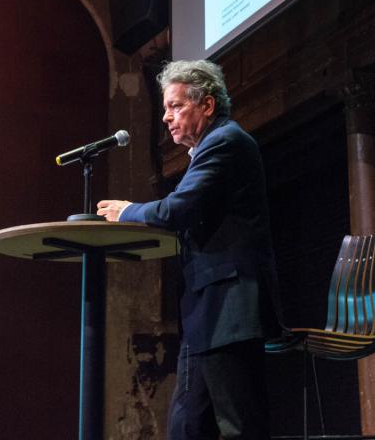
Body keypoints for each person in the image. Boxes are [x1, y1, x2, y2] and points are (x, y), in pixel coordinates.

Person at [97, 59, 280, 440]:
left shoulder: (225, 141)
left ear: (207, 105)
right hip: (206, 311)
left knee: (238, 426)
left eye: (175, 106)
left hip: (230, 306)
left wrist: (128, 211)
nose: (166, 117)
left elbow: (177, 209)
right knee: (186, 425)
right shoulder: (209, 147)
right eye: (165, 108)